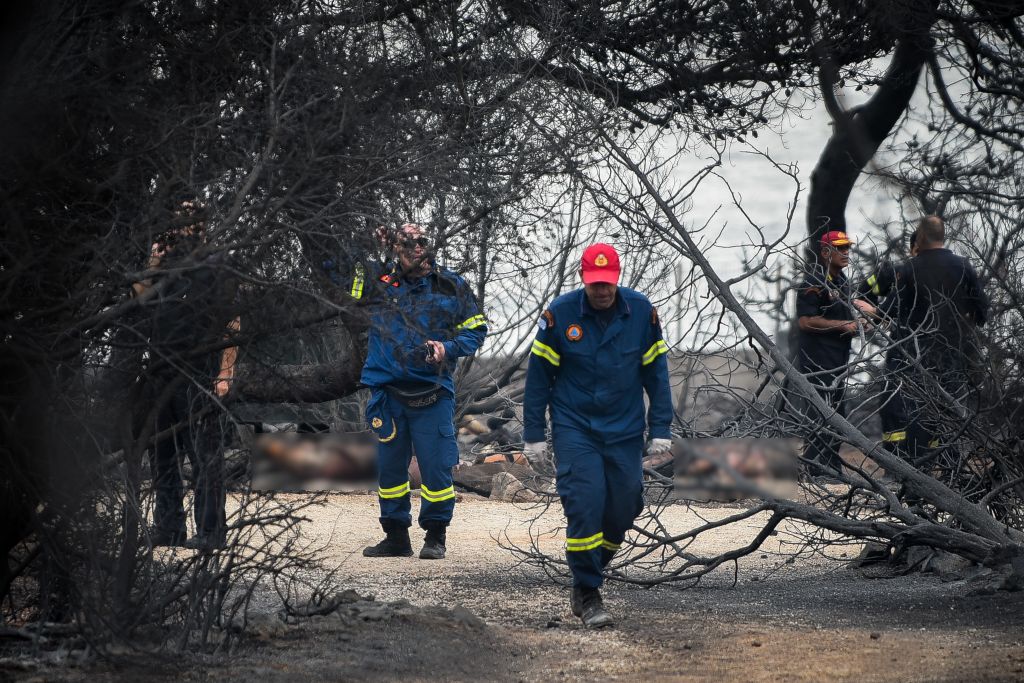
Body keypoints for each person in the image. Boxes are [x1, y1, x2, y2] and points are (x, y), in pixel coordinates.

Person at [522, 243, 673, 629]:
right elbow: (538, 379)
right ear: (582, 278)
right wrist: (534, 435)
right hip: (576, 427)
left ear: (618, 278)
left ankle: (589, 568)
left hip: (623, 429)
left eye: (607, 284)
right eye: (594, 284)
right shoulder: (560, 315)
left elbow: (657, 376)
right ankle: (588, 592)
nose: (602, 291)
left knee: (625, 505)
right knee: (585, 502)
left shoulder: (641, 312)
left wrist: (661, 431)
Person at [337, 223, 487, 560]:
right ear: (395, 249)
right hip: (388, 392)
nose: (416, 248)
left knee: (435, 469)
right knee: (390, 470)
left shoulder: (452, 285)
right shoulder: (378, 281)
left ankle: (435, 537)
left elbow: (476, 331)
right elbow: (349, 286)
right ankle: (395, 537)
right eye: (407, 243)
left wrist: (448, 348)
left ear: (429, 245)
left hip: (432, 391)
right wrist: (363, 243)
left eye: (421, 241)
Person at [134, 199, 238, 550]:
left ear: (205, 223)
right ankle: (169, 528)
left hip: (199, 372)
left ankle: (211, 531)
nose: (185, 223)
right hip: (161, 371)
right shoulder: (166, 263)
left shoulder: (216, 263)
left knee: (205, 457)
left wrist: (226, 373)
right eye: (180, 216)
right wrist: (153, 261)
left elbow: (232, 321)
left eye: (193, 217)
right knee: (162, 454)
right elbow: (139, 298)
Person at [859, 216, 988, 462]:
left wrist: (870, 311)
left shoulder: (909, 269)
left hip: (910, 353)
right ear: (943, 236)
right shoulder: (963, 267)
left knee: (902, 407)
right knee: (947, 409)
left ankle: (906, 467)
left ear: (919, 239)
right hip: (951, 353)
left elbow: (889, 310)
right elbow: (981, 312)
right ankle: (949, 468)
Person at [794, 230, 875, 480]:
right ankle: (817, 470)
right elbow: (806, 322)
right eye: (840, 248)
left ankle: (830, 467)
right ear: (825, 252)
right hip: (818, 363)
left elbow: (842, 319)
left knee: (838, 413)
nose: (846, 253)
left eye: (847, 248)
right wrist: (844, 327)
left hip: (839, 362)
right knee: (821, 413)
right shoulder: (813, 282)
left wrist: (860, 324)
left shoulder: (842, 283)